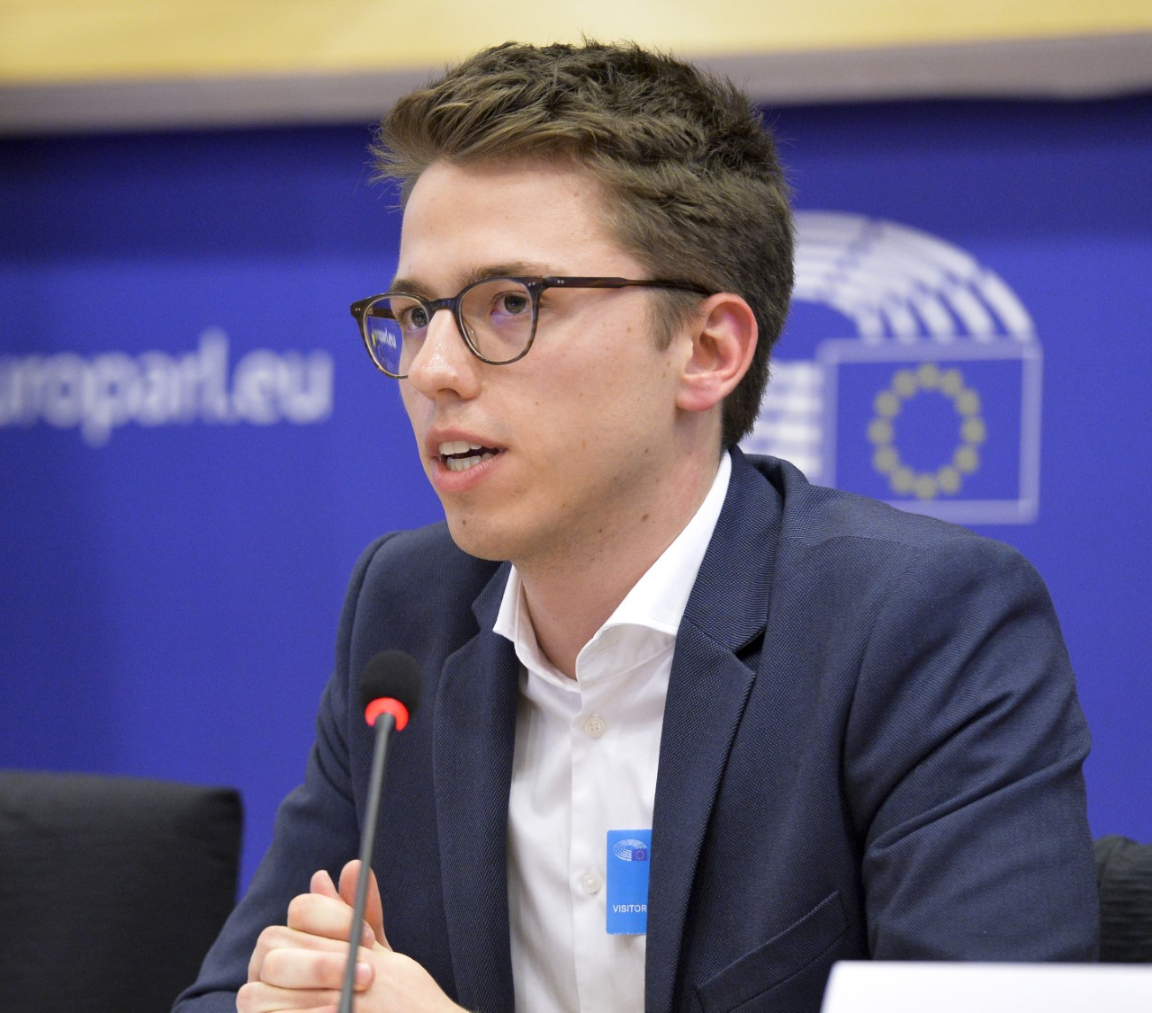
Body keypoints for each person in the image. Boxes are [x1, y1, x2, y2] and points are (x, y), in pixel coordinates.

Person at [175, 40, 1098, 1013]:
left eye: (508, 303)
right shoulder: (407, 610)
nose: (433, 369)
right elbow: (226, 993)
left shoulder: (919, 626)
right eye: (413, 314)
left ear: (707, 349)